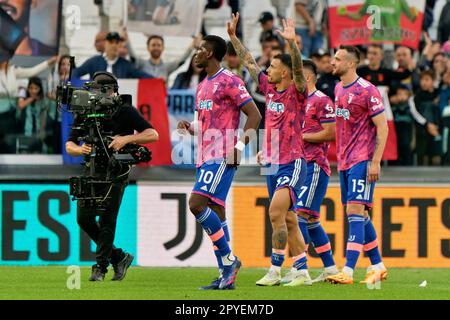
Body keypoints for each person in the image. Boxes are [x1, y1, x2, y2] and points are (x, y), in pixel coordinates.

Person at [228, 14, 312, 286]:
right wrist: (234, 37)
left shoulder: (297, 91)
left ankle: (275, 270)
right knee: (288, 218)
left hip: (293, 161)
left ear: (284, 72)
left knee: (275, 212)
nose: (268, 69)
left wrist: (293, 46)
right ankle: (302, 270)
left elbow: (299, 70)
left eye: (273, 67)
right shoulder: (270, 89)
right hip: (272, 162)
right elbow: (250, 62)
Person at [177, 35, 261, 290]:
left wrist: (238, 148)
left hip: (222, 155)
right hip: (204, 156)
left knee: (196, 204)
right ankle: (226, 274)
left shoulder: (230, 81)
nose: (196, 52)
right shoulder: (203, 85)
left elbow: (255, 115)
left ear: (211, 53)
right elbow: (204, 124)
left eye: (201, 49)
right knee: (216, 212)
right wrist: (190, 127)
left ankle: (229, 260)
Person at [65, 71, 159, 281]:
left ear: (112, 91)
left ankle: (100, 267)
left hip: (117, 170)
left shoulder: (124, 111)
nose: (96, 95)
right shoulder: (85, 111)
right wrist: (81, 150)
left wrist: (125, 139)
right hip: (90, 169)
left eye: (99, 90)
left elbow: (153, 134)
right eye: (94, 91)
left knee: (108, 219)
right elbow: (69, 144)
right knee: (84, 218)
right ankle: (118, 257)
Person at [326, 45, 388, 285]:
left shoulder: (368, 91)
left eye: (338, 59)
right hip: (344, 161)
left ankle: (348, 271)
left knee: (354, 212)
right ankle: (378, 266)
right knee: (358, 214)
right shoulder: (338, 87)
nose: (332, 62)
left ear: (351, 63)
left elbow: (382, 127)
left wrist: (375, 162)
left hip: (362, 159)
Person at [290, 60, 339, 283]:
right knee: (311, 219)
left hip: (315, 165)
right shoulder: (297, 101)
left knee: (299, 213)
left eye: (295, 76)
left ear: (307, 77)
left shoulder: (321, 100)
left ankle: (299, 269)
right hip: (299, 166)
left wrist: (303, 136)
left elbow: (331, 133)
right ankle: (330, 269)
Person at [0, 56, 57, 152]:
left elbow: (32, 71)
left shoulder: (13, 71)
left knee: (8, 143)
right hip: (2, 114)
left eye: (3, 58)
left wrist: (48, 62)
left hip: (11, 115)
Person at [72, 32, 153, 79]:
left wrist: (158, 81)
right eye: (111, 42)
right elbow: (76, 72)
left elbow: (142, 75)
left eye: (117, 42)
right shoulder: (93, 62)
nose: (114, 45)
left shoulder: (126, 65)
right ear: (105, 44)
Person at [132, 34, 201, 82]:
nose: (156, 47)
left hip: (161, 102)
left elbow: (181, 61)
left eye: (159, 45)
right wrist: (126, 41)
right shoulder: (141, 64)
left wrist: (192, 46)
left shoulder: (167, 67)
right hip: (145, 101)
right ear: (148, 48)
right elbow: (132, 57)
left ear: (163, 48)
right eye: (153, 45)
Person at [413, 70, 442, 165]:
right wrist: (427, 124)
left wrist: (436, 126)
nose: (423, 82)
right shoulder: (418, 95)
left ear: (433, 81)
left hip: (436, 128)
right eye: (422, 80)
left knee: (434, 155)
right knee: (421, 153)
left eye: (427, 80)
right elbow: (415, 113)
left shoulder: (438, 94)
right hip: (422, 129)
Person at [16, 77, 51, 153]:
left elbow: (43, 117)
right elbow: (20, 106)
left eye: (36, 88)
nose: (33, 91)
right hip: (25, 134)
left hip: (38, 134)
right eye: (31, 88)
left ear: (40, 89)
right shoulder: (24, 99)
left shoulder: (42, 102)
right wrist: (32, 98)